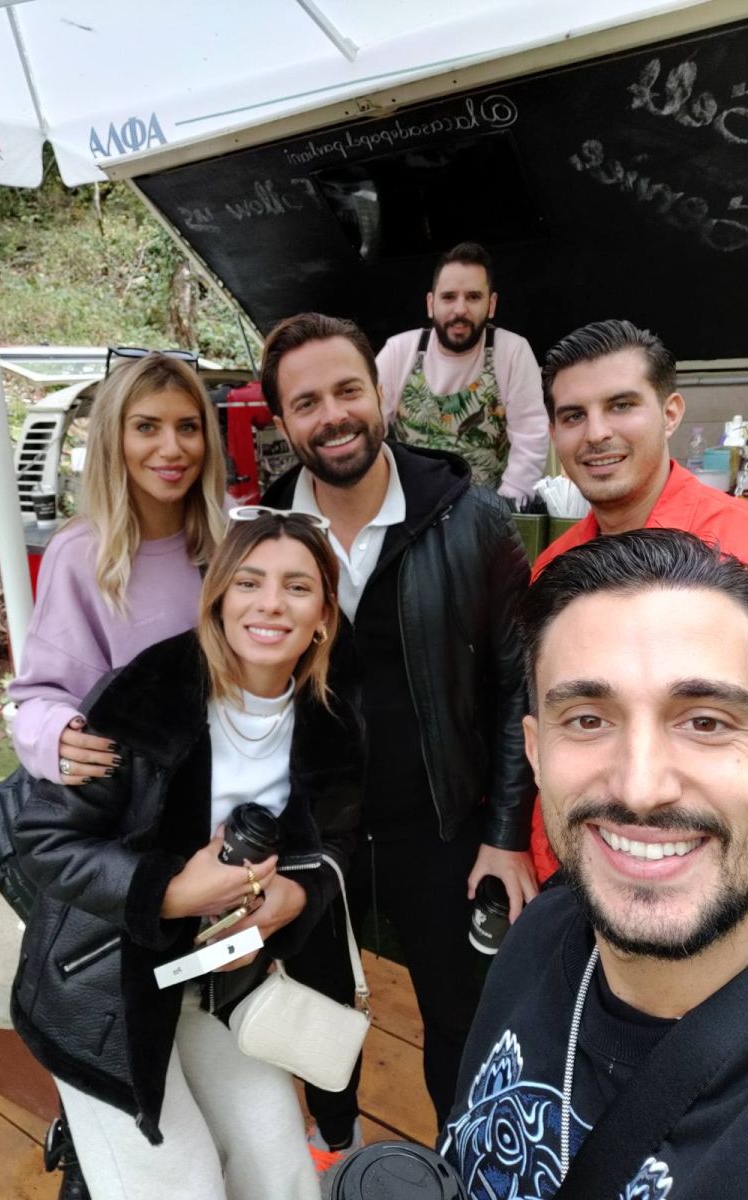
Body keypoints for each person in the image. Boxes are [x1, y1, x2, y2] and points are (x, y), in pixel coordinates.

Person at [10, 511, 365, 1200]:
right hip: (104, 981)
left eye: (297, 587)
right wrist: (169, 892)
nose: (270, 604)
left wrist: (294, 896)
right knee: (184, 1185)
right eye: (249, 583)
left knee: (282, 1173)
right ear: (219, 599)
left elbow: (337, 840)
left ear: (324, 615)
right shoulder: (153, 691)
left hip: (216, 980)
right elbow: (45, 840)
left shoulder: (330, 719)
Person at [258, 311, 537, 1184]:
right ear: (282, 422)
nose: (333, 415)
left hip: (443, 823)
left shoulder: (473, 521)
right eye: (306, 402)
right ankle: (334, 1147)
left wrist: (503, 834)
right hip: (316, 831)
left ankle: (465, 1166)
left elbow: (518, 688)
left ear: (379, 394)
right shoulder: (259, 538)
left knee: (460, 1017)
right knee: (317, 1009)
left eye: (347, 390)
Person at [441, 529, 748, 1199]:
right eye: (587, 720)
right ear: (535, 752)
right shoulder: (540, 931)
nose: (639, 789)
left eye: (705, 722)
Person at [530, 319, 748, 880]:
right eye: (573, 416)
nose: (596, 433)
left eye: (621, 405)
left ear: (670, 412)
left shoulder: (745, 544)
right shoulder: (552, 569)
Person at [8, 351, 226, 786]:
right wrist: (53, 738)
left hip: (237, 783)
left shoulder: (234, 535)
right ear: (113, 438)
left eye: (188, 427)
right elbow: (40, 697)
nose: (172, 448)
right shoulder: (79, 555)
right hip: (143, 795)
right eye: (147, 427)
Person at [377, 241, 549, 502]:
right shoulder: (399, 351)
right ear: (431, 304)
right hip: (409, 509)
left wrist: (504, 508)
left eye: (473, 297)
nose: (460, 309)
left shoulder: (512, 351)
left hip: (486, 510)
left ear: (491, 304)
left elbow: (531, 438)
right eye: (449, 297)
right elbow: (368, 427)